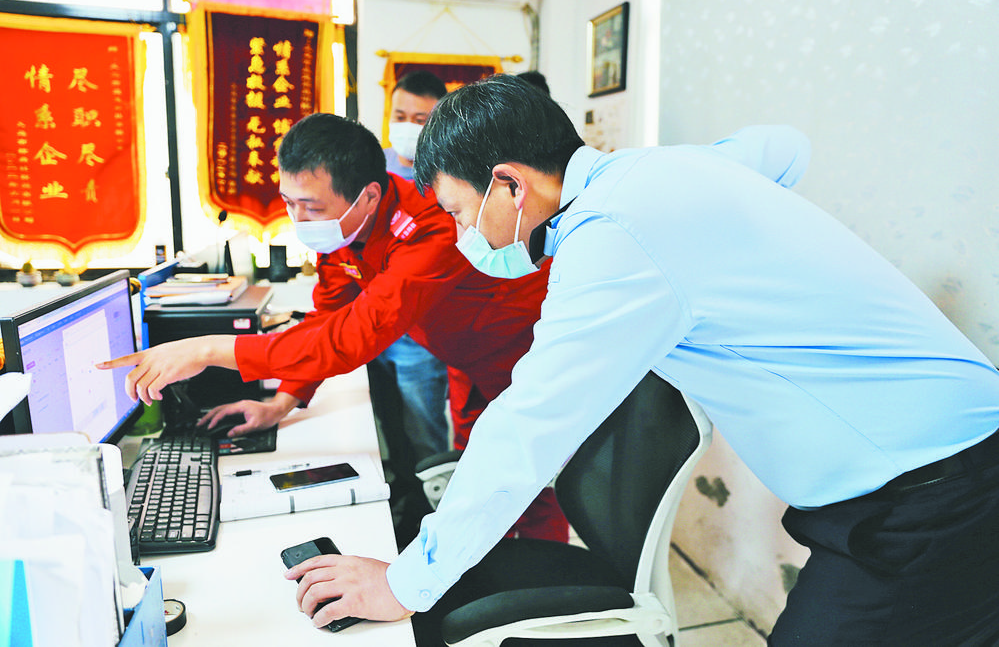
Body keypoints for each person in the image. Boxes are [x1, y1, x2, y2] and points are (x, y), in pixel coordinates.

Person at [268, 74, 999, 645]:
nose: (466, 238)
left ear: (511, 184)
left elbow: (528, 426)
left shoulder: (612, 238)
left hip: (930, 492)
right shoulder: (651, 173)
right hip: (939, 464)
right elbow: (784, 147)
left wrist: (404, 584)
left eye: (461, 213)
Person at [100, 111, 566, 545]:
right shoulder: (343, 228)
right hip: (465, 358)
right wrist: (282, 401)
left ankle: (547, 584)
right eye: (289, 203)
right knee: (482, 475)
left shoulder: (430, 227)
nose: (299, 220)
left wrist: (209, 351)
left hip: (519, 355)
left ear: (368, 196)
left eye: (311, 206)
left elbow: (354, 337)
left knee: (530, 482)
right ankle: (493, 560)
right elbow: (327, 318)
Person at [368, 70, 451, 528]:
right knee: (385, 426)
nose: (406, 127)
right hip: (372, 327)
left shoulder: (447, 176)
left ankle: (434, 515)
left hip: (420, 334)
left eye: (420, 119)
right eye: (400, 115)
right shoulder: (372, 169)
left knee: (425, 431)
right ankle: (401, 504)